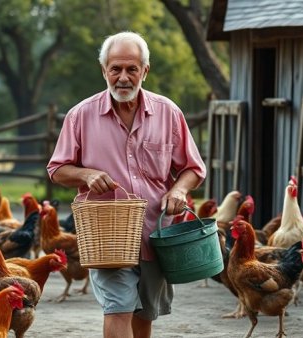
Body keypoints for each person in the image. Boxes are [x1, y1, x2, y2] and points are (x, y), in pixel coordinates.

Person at [46, 31, 206, 338]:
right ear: (103, 70)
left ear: (145, 71)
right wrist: (86, 175)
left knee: (144, 315)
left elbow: (193, 168)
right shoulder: (80, 116)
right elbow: (57, 169)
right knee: (118, 308)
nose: (123, 77)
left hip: (155, 234)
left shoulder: (169, 113)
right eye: (115, 69)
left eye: (131, 69)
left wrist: (179, 189)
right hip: (107, 235)